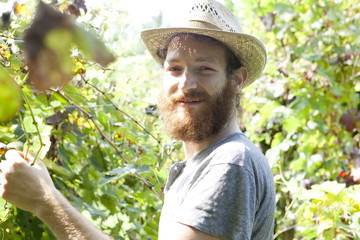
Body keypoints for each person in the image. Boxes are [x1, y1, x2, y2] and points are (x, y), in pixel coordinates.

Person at [0, 0, 275, 239]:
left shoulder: (230, 163)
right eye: (175, 68)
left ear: (237, 79)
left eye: (205, 68)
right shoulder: (201, 165)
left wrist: (44, 200)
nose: (186, 83)